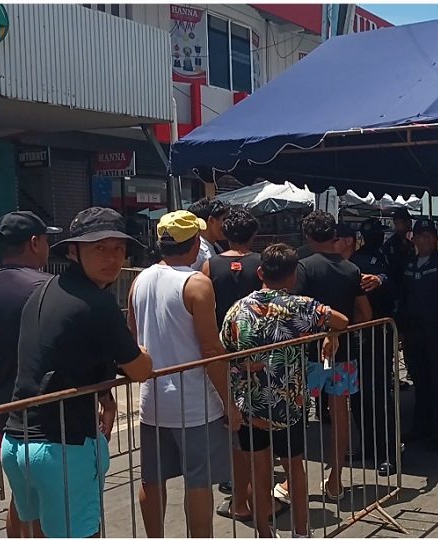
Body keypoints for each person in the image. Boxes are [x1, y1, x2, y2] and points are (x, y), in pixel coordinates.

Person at [0, 207, 153, 539]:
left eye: (118, 249)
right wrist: (142, 353)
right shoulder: (96, 303)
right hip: (61, 446)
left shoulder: (45, 291)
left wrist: (105, 397)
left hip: (16, 441)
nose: (111, 258)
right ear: (73, 251)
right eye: (99, 247)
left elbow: (61, 359)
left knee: (36, 531)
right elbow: (141, 370)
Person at [221, 243, 349, 538]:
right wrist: (331, 334)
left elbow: (225, 350)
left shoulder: (237, 310)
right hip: (288, 404)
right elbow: (341, 320)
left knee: (258, 470)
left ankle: (264, 532)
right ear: (293, 276)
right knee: (294, 468)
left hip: (249, 404)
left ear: (261, 272)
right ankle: (301, 532)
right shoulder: (302, 306)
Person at [128, 211, 238, 538]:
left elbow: (133, 337)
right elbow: (211, 350)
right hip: (194, 403)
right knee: (199, 480)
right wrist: (229, 402)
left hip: (152, 400)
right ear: (194, 244)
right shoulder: (196, 284)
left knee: (152, 477)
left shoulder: (139, 279)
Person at [0, 211, 60, 537]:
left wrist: (6, 394)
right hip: (49, 415)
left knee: (21, 497)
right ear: (34, 243)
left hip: (4, 412)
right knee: (50, 502)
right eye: (47, 240)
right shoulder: (49, 288)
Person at [293, 211, 372, 500]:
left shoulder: (303, 267)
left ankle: (293, 482)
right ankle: (336, 480)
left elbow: (296, 310)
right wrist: (340, 331)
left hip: (309, 353)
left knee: (297, 414)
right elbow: (365, 313)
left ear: (309, 236)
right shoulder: (351, 269)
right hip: (344, 353)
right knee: (341, 415)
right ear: (333, 236)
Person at [205, 208, 263, 514]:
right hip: (259, 353)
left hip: (224, 350)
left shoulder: (209, 265)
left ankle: (239, 489)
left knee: (232, 419)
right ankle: (255, 489)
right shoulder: (261, 264)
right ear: (253, 235)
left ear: (226, 233)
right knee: (258, 420)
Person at [400, 218, 438, 447]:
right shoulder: (409, 264)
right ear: (414, 239)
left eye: (430, 235)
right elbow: (404, 299)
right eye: (421, 235)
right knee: (421, 381)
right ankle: (421, 427)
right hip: (415, 333)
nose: (426, 240)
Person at [343, 219, 398, 477]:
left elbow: (389, 277)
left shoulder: (369, 259)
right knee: (356, 396)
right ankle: (366, 445)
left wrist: (379, 279)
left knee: (377, 394)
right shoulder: (332, 265)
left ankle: (388, 453)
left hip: (374, 335)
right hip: (348, 341)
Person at [187, 198, 229, 273]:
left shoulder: (216, 245)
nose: (227, 224)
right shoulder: (198, 251)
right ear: (211, 220)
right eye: (224, 219)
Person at [382, 208, 415, 295]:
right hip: (396, 285)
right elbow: (392, 267)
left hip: (408, 284)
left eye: (408, 221)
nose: (409, 224)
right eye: (404, 221)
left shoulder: (409, 244)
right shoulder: (391, 244)